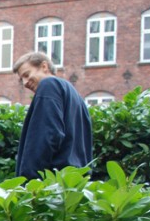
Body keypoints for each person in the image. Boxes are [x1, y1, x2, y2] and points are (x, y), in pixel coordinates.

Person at [12, 51, 93, 179]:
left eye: (27, 75)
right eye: (22, 79)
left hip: (53, 185)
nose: (25, 83)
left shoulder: (49, 85)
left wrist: (30, 181)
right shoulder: (74, 95)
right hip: (75, 182)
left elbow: (46, 135)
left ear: (44, 67)